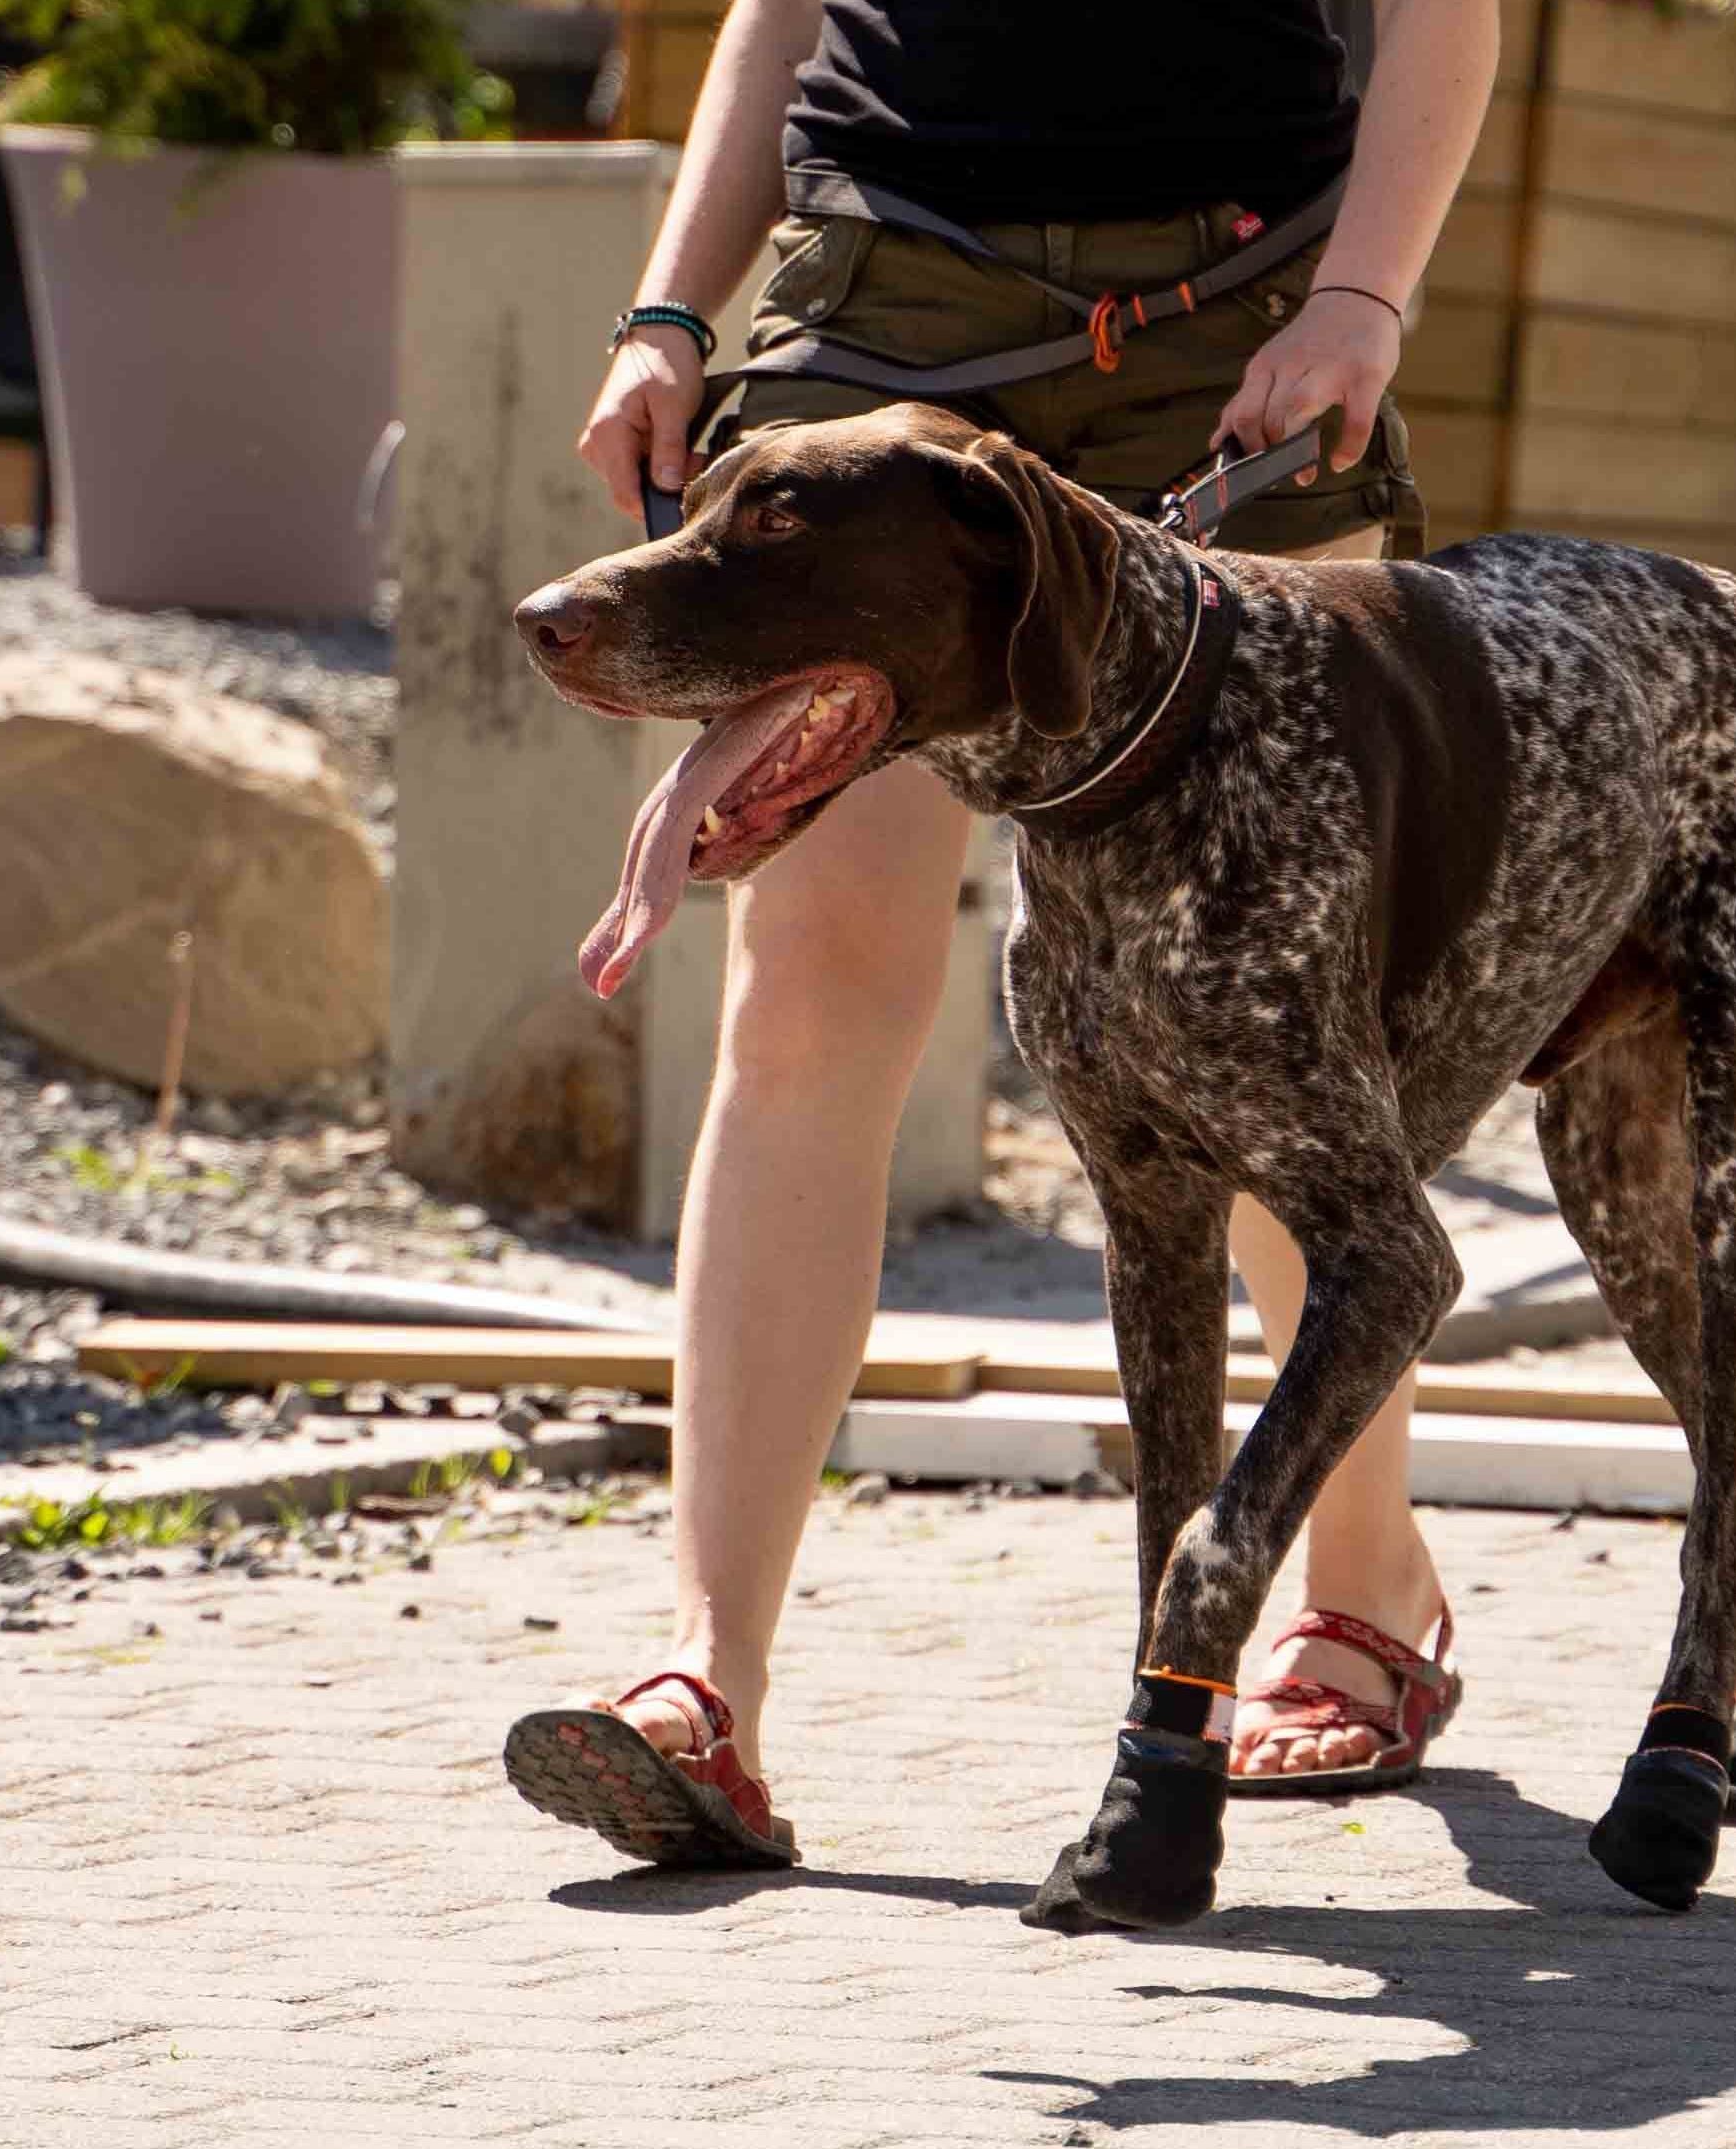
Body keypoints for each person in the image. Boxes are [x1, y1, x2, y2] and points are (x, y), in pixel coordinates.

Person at [517, 0, 1497, 1863]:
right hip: (879, 302)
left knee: (1281, 1033)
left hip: (1241, 304)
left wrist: (1364, 298)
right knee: (812, 987)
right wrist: (668, 312)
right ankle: (705, 1685)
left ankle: (1363, 1591)